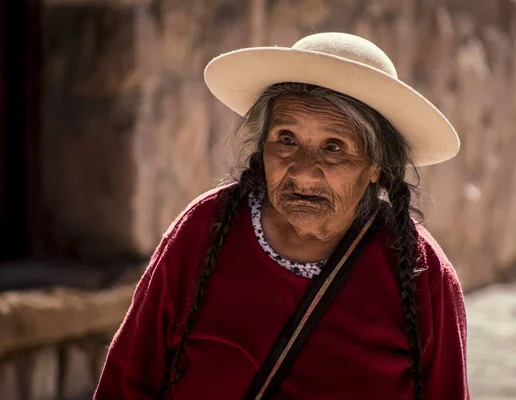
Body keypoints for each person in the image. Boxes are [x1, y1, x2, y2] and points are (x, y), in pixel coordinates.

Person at [94, 32, 469, 400]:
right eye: (286, 139)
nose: (303, 172)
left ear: (376, 166)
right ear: (262, 147)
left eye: (334, 147)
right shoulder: (205, 228)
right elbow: (127, 380)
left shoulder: (420, 269)